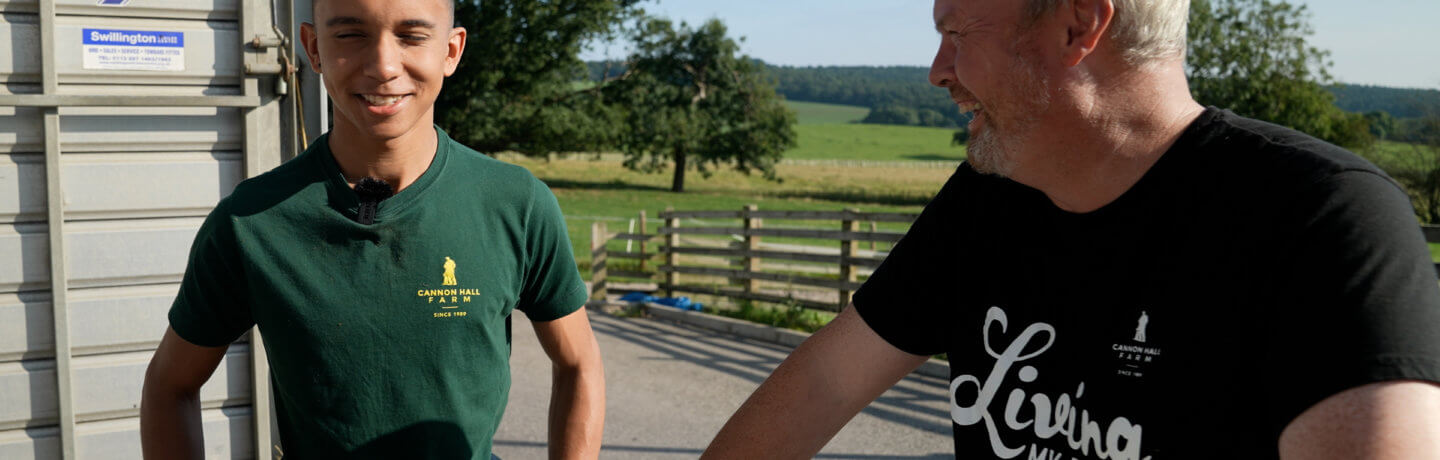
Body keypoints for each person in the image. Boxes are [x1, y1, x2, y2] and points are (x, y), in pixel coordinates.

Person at [703, 0, 1440, 458]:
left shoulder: (1321, 217)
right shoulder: (991, 197)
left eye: (956, 30)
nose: (936, 69)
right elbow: (823, 384)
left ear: (1078, 22)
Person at [139, 0, 605, 458]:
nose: (383, 65)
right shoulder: (251, 220)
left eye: (412, 36)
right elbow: (170, 385)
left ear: (451, 51)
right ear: (313, 47)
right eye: (350, 34)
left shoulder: (515, 203)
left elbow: (579, 363)